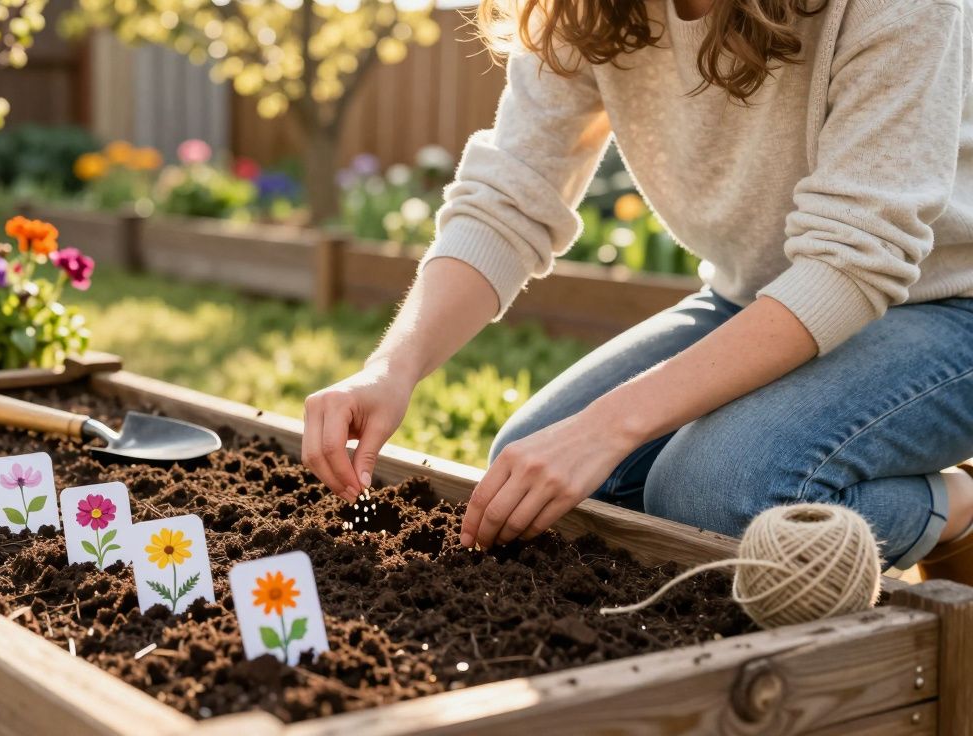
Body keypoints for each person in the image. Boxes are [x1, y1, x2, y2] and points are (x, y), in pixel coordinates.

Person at [302, 0, 973, 584]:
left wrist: (607, 425)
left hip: (948, 305)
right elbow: (509, 198)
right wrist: (392, 367)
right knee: (538, 476)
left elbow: (852, 264)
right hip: (761, 297)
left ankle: (957, 508)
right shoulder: (588, 8)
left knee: (716, 496)